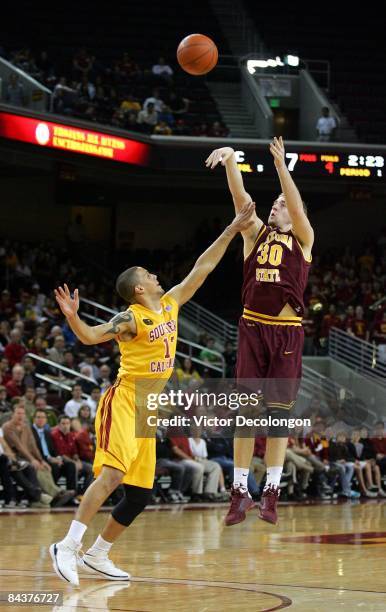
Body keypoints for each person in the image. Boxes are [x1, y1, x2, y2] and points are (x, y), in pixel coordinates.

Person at [48, 203, 255, 585]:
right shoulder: (130, 318)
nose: (156, 274)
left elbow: (202, 269)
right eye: (148, 273)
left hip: (149, 409)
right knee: (112, 475)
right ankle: (67, 545)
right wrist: (74, 316)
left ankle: (98, 554)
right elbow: (91, 337)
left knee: (140, 494)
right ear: (139, 288)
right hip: (124, 400)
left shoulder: (171, 305)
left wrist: (230, 230)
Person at [206, 137, 314, 526]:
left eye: (282, 204)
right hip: (253, 328)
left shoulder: (303, 239)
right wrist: (232, 162)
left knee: (279, 419)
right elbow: (242, 203)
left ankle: (271, 492)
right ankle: (239, 494)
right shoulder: (255, 234)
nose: (277, 205)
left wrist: (282, 168)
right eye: (275, 202)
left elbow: (296, 205)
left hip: (286, 333)